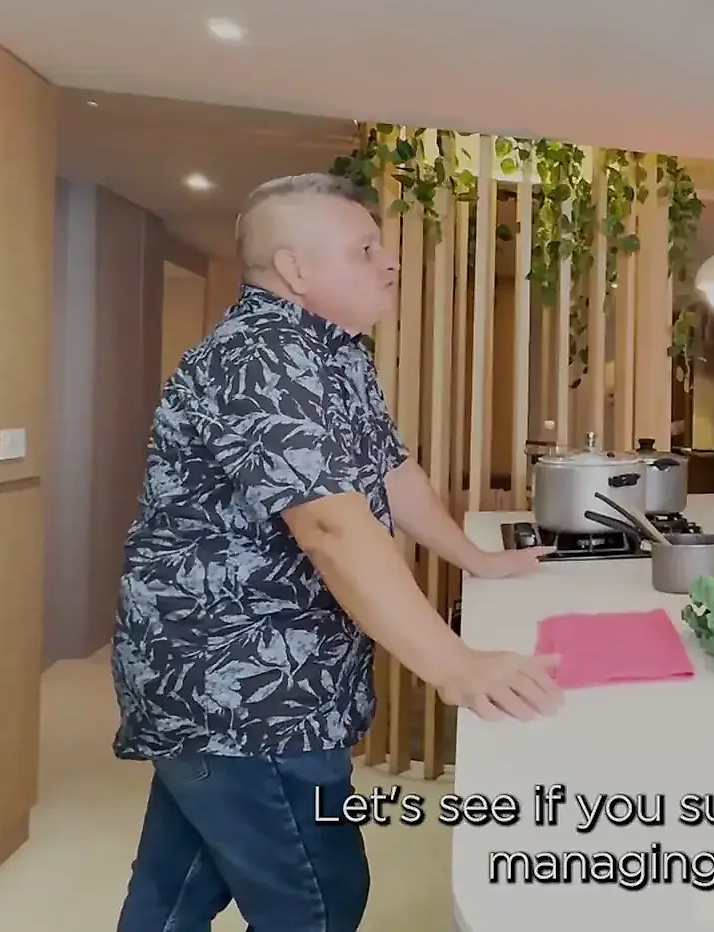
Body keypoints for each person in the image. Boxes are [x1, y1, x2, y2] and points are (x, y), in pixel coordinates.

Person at [112, 174, 562, 931]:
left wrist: (476, 559)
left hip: (229, 686)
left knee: (178, 888)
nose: (389, 262)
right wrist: (455, 666)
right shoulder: (263, 356)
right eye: (364, 249)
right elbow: (330, 527)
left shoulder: (332, 353)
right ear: (295, 270)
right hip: (242, 688)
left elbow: (393, 473)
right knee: (318, 899)